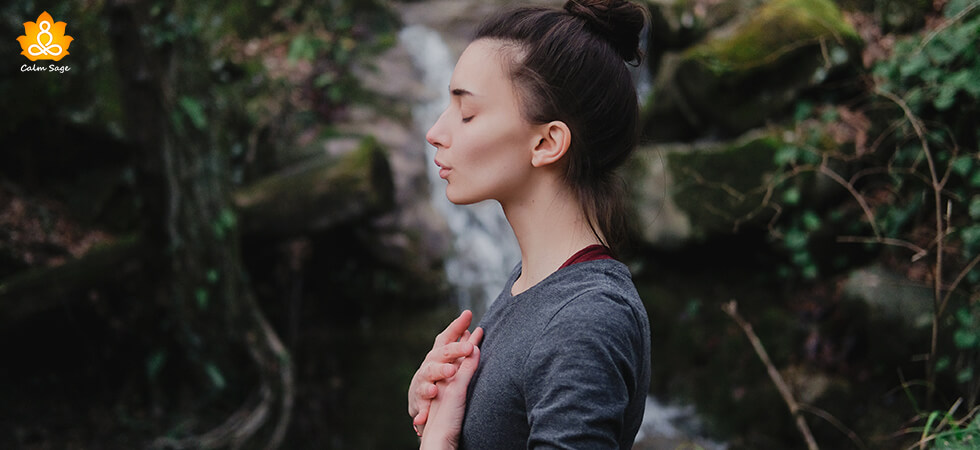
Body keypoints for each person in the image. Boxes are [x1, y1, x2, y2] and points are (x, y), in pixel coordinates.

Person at [408, 0, 651, 448]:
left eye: (466, 113)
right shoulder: (530, 286)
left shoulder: (586, 318)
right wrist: (442, 414)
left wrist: (438, 444)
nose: (435, 132)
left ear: (546, 142)